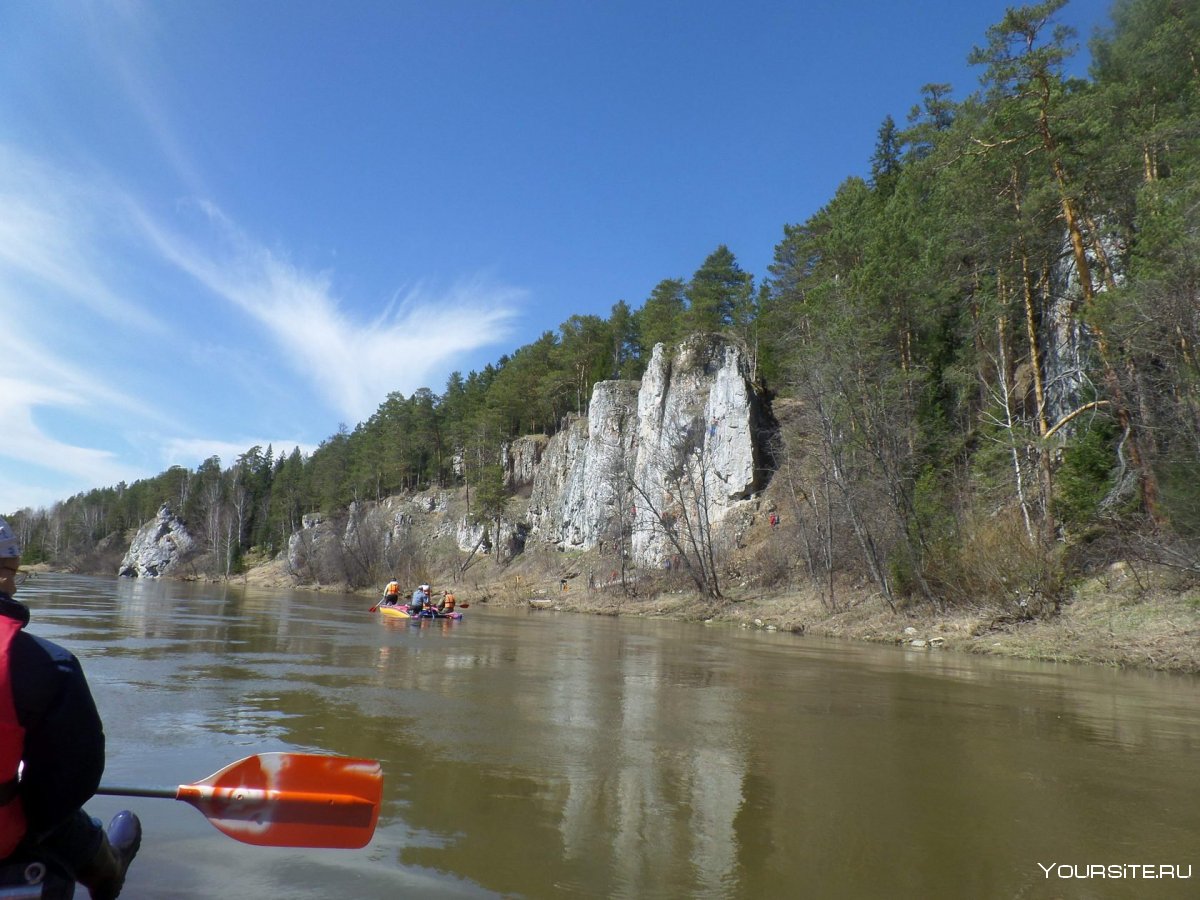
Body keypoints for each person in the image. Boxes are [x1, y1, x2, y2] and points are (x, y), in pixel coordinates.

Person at [0, 517, 141, 900]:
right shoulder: (46, 665)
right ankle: (109, 874)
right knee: (49, 816)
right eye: (8, 573)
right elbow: (76, 773)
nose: (12, 585)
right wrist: (32, 818)